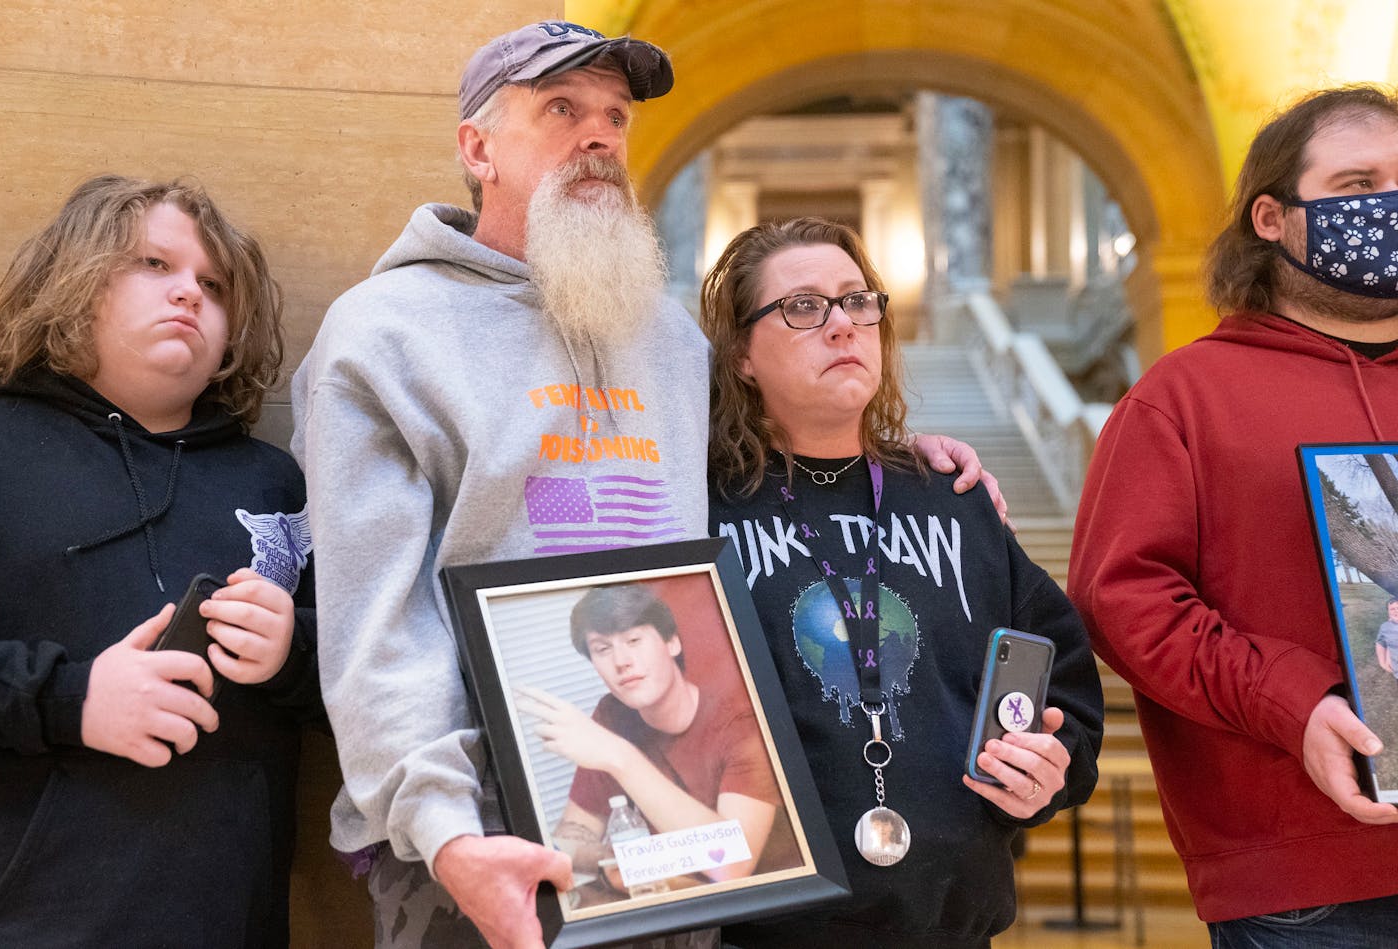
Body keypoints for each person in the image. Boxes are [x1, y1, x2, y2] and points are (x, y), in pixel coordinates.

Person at [292, 20, 997, 949]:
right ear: (477, 148)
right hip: (477, 834)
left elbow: (773, 455)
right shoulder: (384, 335)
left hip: (681, 830)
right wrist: (445, 829)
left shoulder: (665, 338)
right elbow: (370, 622)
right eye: (562, 109)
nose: (600, 137)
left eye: (616, 118)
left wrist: (894, 459)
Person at [701, 217, 1104, 948]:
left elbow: (1064, 685)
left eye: (859, 302)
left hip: (952, 929)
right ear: (741, 355)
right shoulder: (698, 511)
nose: (842, 326)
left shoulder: (953, 497)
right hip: (760, 932)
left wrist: (1052, 765)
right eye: (802, 306)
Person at [1069, 84, 1398, 947]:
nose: (1387, 208)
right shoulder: (1181, 400)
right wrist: (1295, 700)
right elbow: (1122, 601)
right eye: (1357, 185)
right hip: (1307, 883)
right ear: (1270, 217)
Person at [0, 175, 320, 947]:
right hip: (21, 921)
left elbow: (371, 685)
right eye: (154, 265)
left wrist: (292, 651)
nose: (188, 294)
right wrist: (72, 700)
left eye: (213, 283)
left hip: (232, 922)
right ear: (73, 280)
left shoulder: (276, 482)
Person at [519, 584, 791, 886]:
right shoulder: (612, 715)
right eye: (602, 649)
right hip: (665, 908)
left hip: (764, 912)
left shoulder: (742, 723)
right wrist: (626, 860)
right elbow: (571, 837)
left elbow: (731, 863)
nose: (621, 661)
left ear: (671, 642)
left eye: (634, 640)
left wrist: (620, 758)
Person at [1376, 599, 1398, 679]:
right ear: (1388, 612)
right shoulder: (1385, 627)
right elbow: (1381, 643)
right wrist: (1382, 662)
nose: (1396, 611)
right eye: (1392, 609)